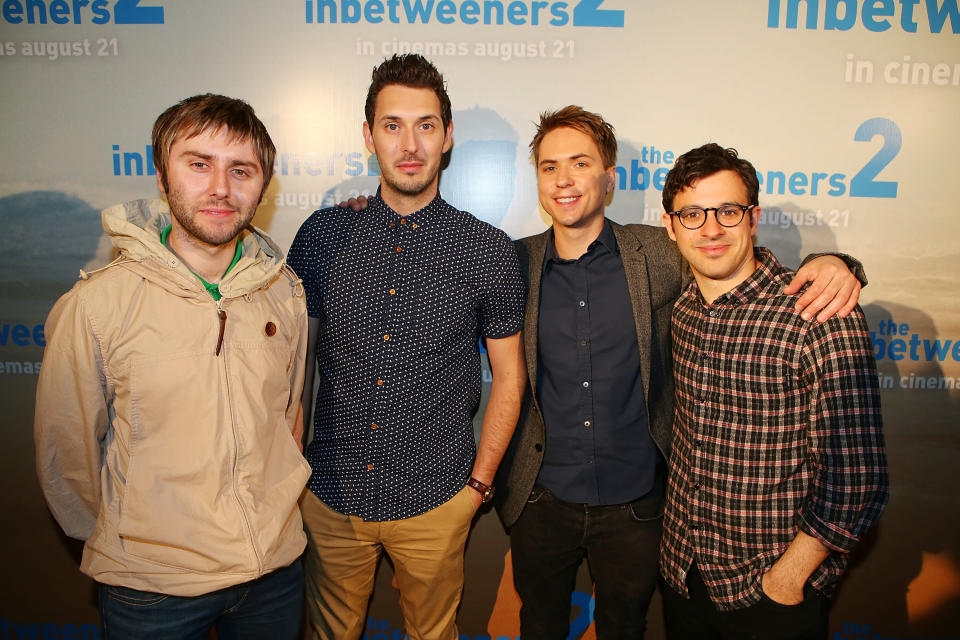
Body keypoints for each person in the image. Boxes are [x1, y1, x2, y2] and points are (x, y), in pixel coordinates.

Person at [493, 107, 866, 639]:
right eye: (550, 167)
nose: (565, 179)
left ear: (610, 178)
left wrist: (838, 263)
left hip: (640, 512)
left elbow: (735, 260)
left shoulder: (659, 253)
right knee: (539, 627)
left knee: (626, 628)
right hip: (541, 501)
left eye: (580, 163)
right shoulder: (515, 264)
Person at [34, 94, 310, 639]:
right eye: (198, 163)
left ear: (263, 184)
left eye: (241, 170)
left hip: (272, 576)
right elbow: (67, 454)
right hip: (151, 591)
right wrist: (130, 541)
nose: (221, 189)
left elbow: (288, 417)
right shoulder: (97, 306)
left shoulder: (284, 293)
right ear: (163, 177)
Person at [287, 54, 527, 640]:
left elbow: (510, 379)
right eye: (392, 125)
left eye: (425, 125)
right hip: (330, 493)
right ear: (369, 136)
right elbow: (292, 372)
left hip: (437, 496)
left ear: (447, 136)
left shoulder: (486, 249)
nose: (410, 144)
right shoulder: (323, 234)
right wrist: (292, 479)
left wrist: (476, 488)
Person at [658, 143, 888, 640]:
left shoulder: (818, 312)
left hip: (770, 591)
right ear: (671, 225)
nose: (712, 229)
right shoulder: (682, 313)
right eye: (693, 214)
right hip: (682, 575)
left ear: (753, 217)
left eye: (727, 210)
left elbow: (858, 476)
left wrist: (786, 579)